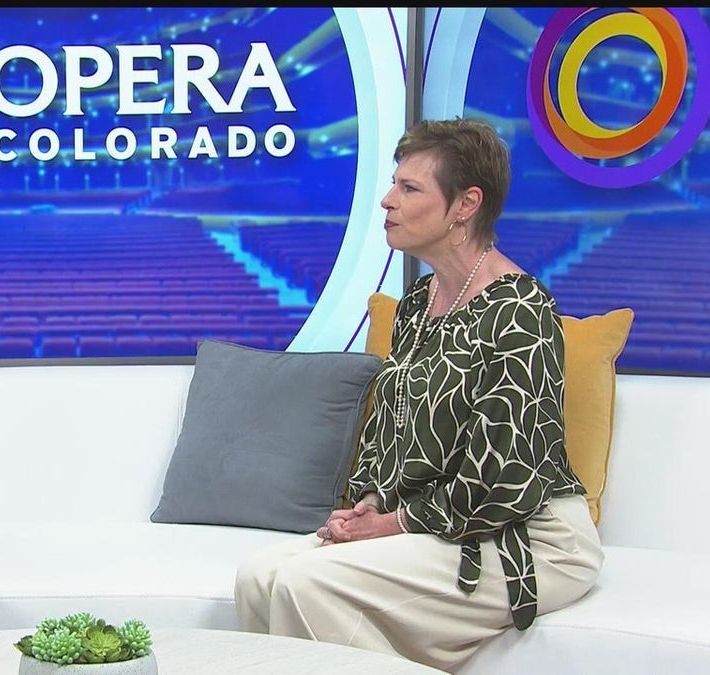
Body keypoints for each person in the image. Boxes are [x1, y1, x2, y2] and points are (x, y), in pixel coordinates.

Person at [234, 119, 603, 672]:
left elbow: (507, 476)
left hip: (529, 533)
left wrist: (391, 526)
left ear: (466, 205)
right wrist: (369, 506)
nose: (388, 200)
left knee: (307, 584)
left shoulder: (521, 312)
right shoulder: (416, 302)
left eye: (409, 188)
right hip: (432, 522)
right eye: (394, 184)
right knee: (257, 576)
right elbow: (394, 437)